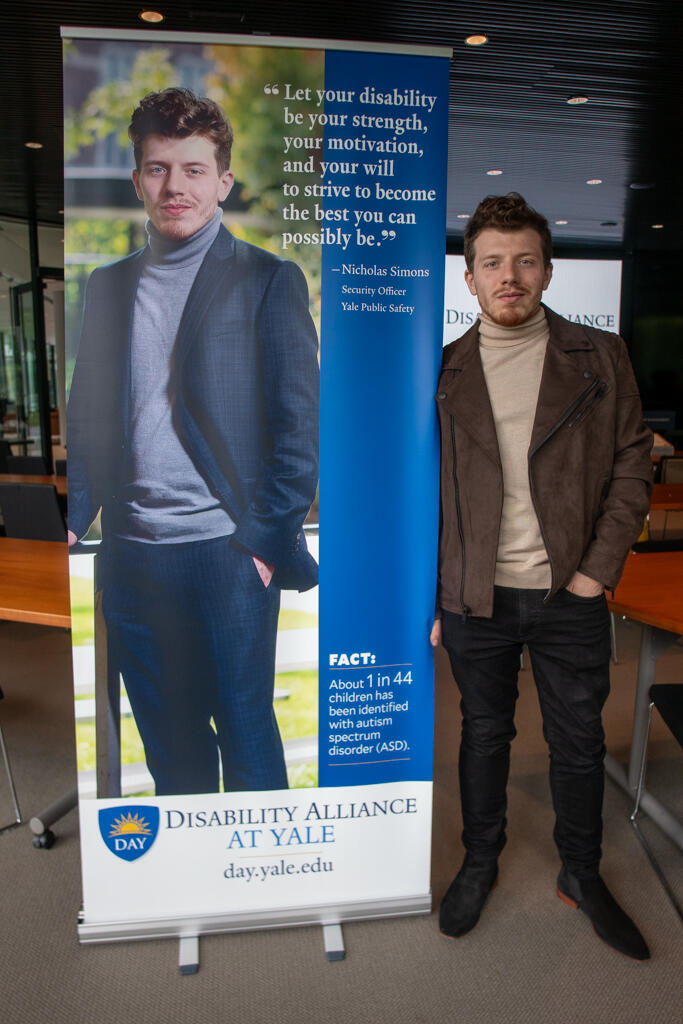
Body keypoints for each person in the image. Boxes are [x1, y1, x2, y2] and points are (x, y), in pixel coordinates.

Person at [68, 88, 319, 796]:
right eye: (156, 168)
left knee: (244, 731)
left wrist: (265, 544)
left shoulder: (268, 281)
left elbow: (298, 430)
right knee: (168, 743)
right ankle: (195, 887)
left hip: (228, 555)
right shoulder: (107, 287)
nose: (174, 186)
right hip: (132, 555)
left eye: (193, 169)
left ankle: (261, 885)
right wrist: (71, 518)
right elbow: (89, 417)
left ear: (223, 182)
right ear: (138, 179)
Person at [431, 193, 652, 959]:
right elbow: (422, 487)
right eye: (492, 262)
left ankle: (581, 875)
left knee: (578, 742)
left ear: (548, 271)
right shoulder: (444, 370)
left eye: (524, 260)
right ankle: (480, 859)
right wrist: (435, 590)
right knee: (484, 734)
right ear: (469, 279)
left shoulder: (601, 357)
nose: (509, 275)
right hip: (474, 597)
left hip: (569, 592)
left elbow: (631, 464)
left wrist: (596, 573)